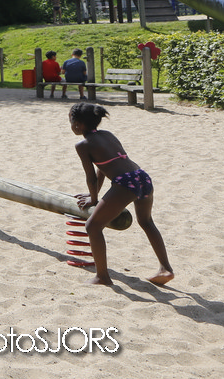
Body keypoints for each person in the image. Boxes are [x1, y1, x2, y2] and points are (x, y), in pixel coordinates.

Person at [69, 103, 173, 287]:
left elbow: (91, 178)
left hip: (125, 183)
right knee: (146, 221)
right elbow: (103, 165)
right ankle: (165, 268)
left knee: (92, 226)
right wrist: (96, 194)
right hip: (142, 176)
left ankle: (102, 277)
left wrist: (93, 199)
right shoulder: (107, 135)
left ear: (78, 124)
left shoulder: (83, 145)